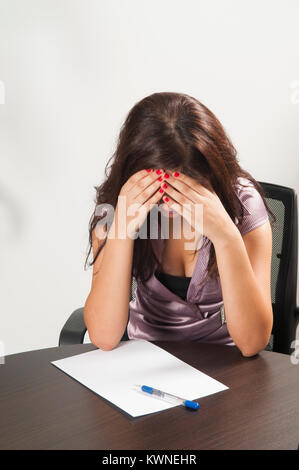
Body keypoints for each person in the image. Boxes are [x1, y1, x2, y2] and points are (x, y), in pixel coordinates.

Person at [83, 92, 275, 357]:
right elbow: (104, 337)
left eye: (185, 189)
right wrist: (122, 230)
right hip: (143, 359)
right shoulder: (120, 204)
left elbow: (253, 342)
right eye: (160, 191)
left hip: (225, 366)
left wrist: (226, 236)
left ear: (212, 174)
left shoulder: (242, 203)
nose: (171, 205)